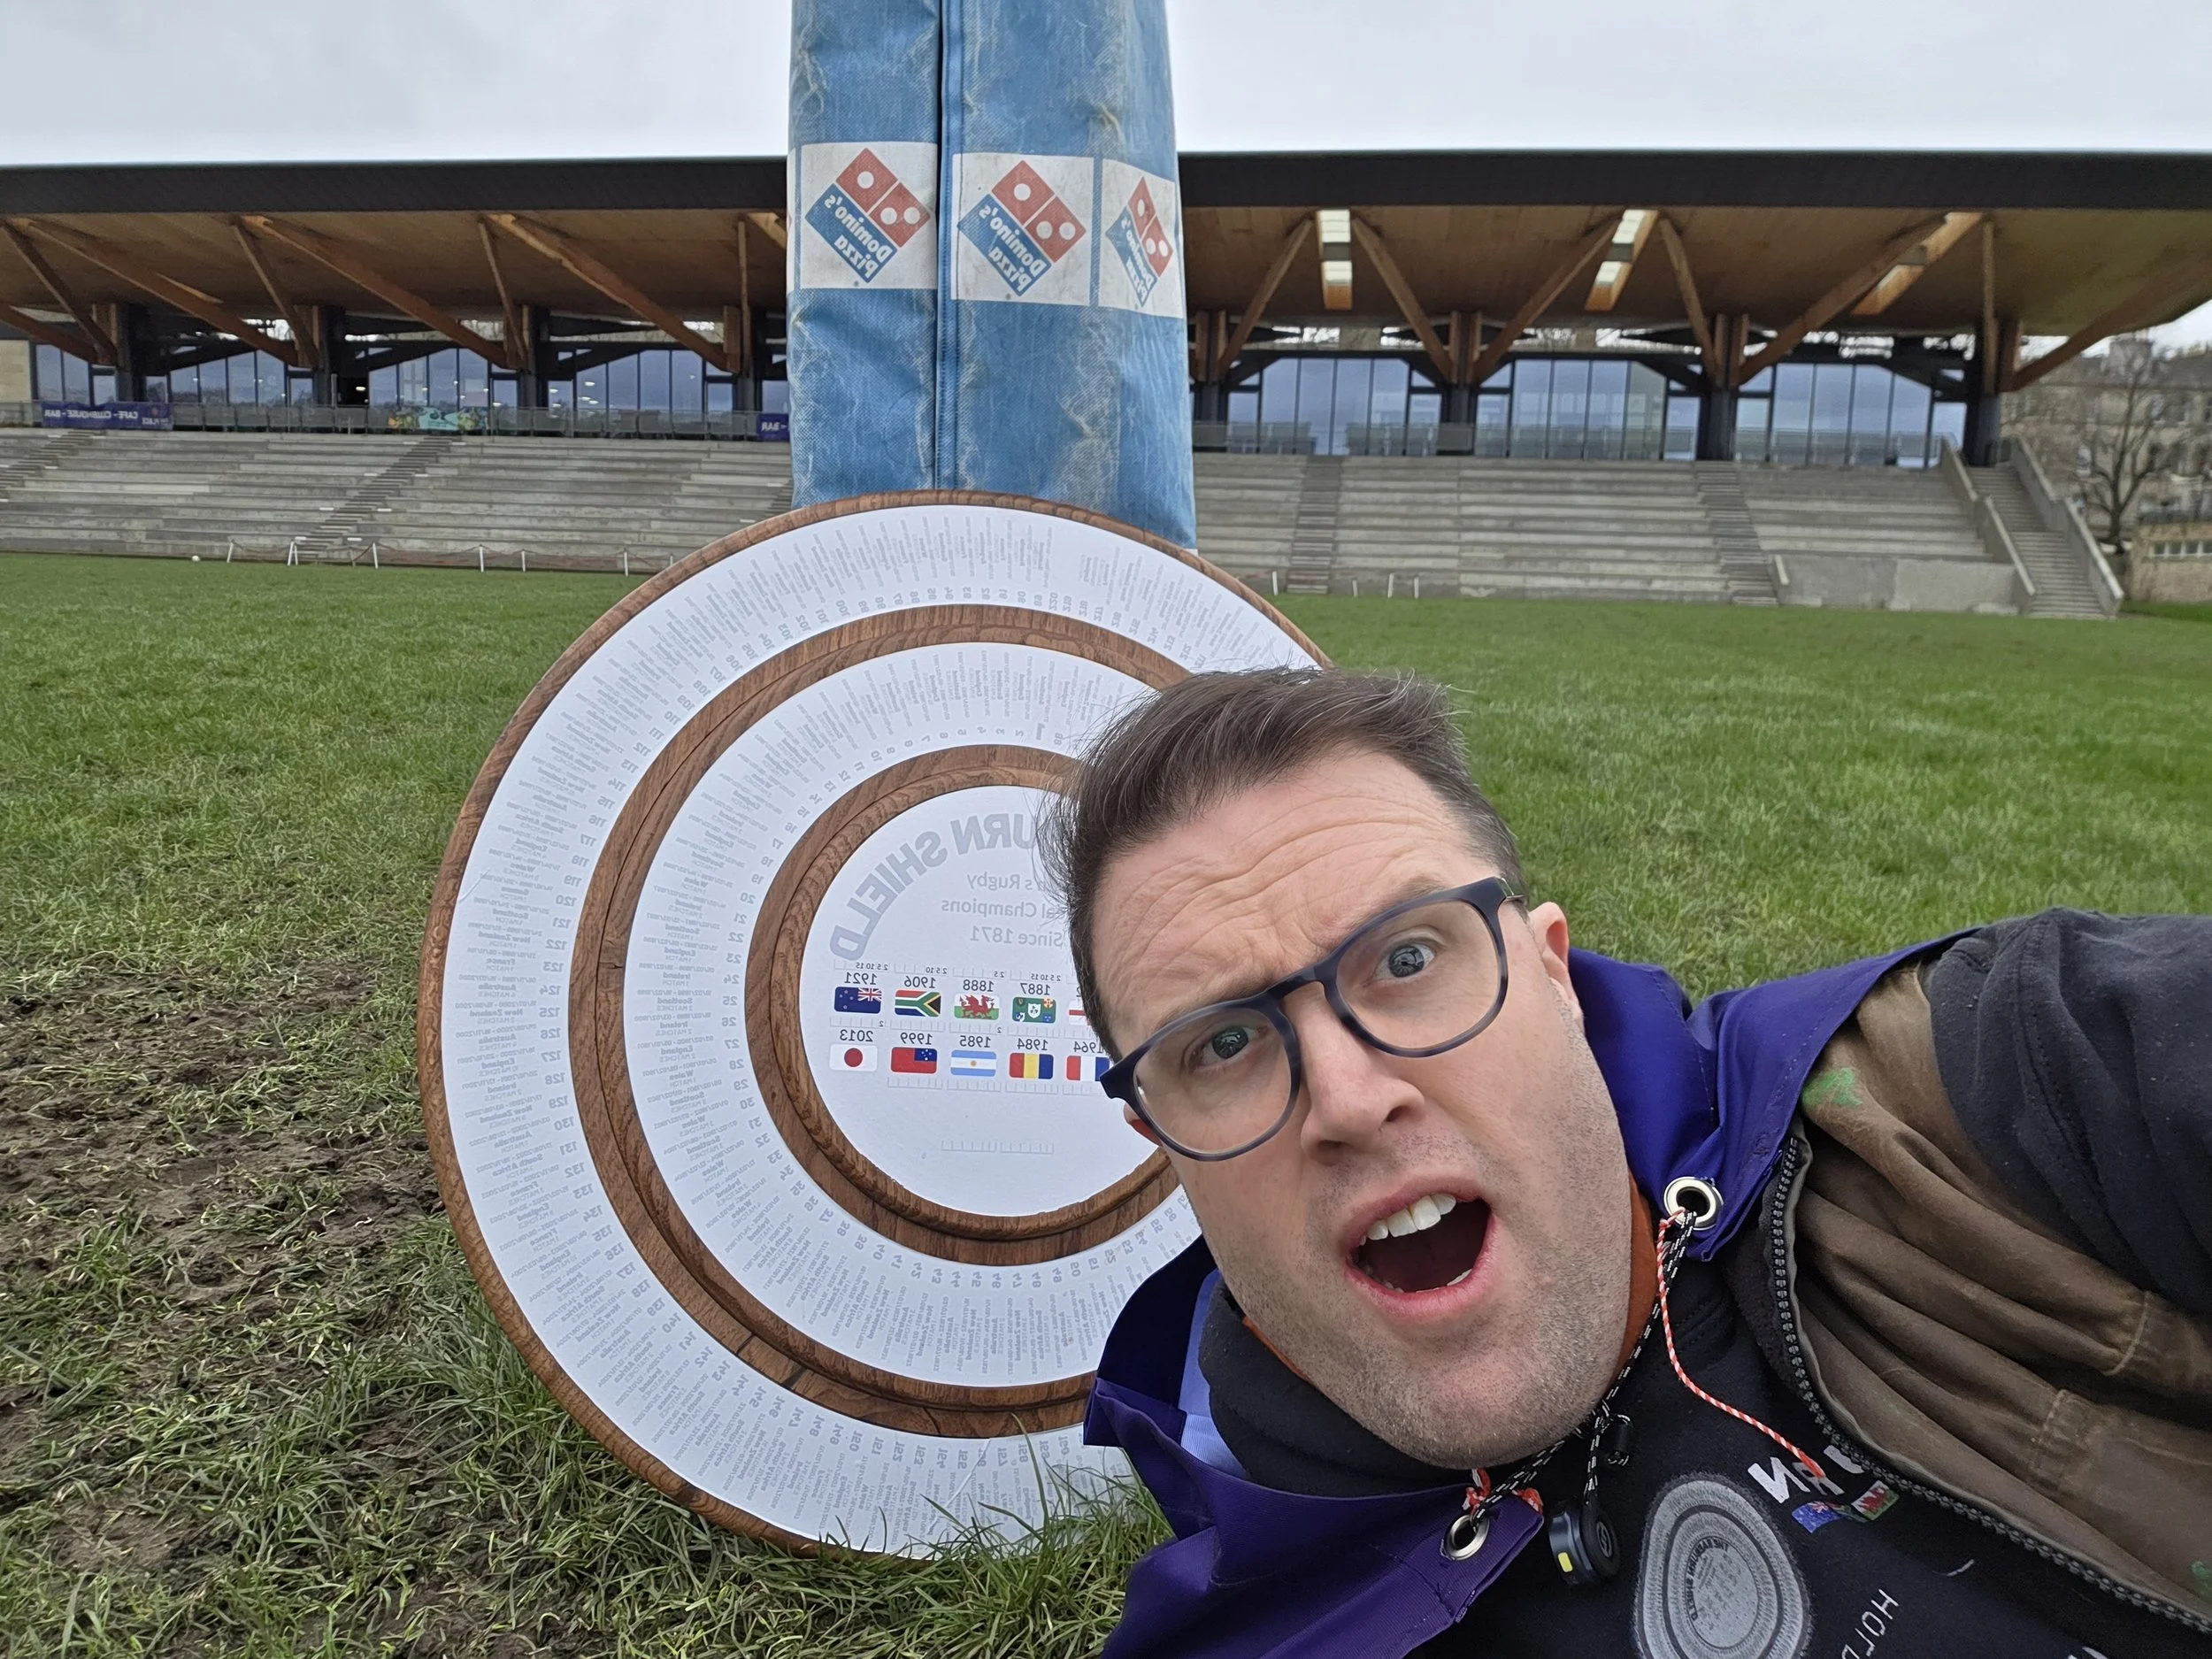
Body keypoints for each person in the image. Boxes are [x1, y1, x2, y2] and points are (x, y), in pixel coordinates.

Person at [1040, 666, 2212, 1659]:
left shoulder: (1968, 1085)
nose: (1348, 1097)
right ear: (1160, 1141)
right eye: (1225, 1042)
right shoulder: (1261, 1624)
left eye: (1407, 956)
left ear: (1554, 973)